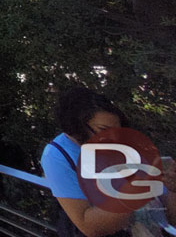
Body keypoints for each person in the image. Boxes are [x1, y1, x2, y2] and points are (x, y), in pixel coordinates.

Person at [41, 88, 176, 237]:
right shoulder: (57, 155)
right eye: (103, 129)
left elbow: (170, 216)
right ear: (76, 126)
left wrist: (172, 189)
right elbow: (89, 227)